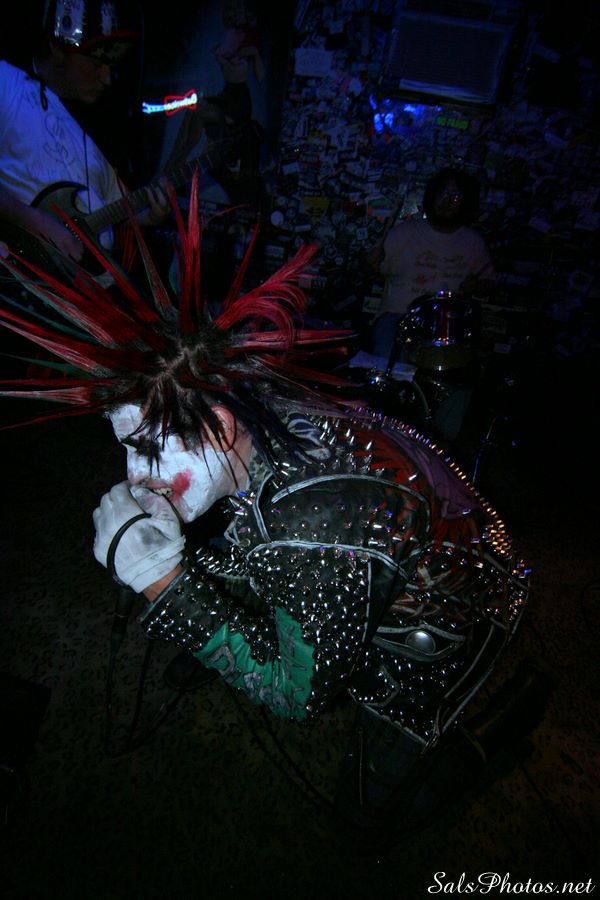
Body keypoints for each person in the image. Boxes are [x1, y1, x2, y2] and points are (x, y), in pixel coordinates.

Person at [0, 181, 531, 845]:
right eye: (127, 449)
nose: (132, 477)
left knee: (363, 825)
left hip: (457, 612)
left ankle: (486, 740)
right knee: (232, 555)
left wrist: (166, 585)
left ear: (220, 425)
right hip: (408, 543)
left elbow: (296, 697)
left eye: (147, 451)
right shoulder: (250, 397)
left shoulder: (313, 529)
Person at [0, 0, 169, 277]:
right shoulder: (7, 83)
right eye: (96, 64)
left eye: (111, 65)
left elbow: (110, 208)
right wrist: (34, 221)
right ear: (56, 47)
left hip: (89, 293)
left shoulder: (103, 126)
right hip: (22, 288)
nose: (107, 78)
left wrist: (147, 217)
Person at [371, 167, 496, 361]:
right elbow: (378, 274)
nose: (447, 202)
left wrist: (476, 286)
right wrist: (371, 265)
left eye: (455, 197)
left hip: (447, 324)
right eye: (442, 194)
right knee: (387, 361)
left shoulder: (473, 243)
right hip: (399, 317)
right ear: (431, 197)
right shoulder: (403, 232)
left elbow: (489, 282)